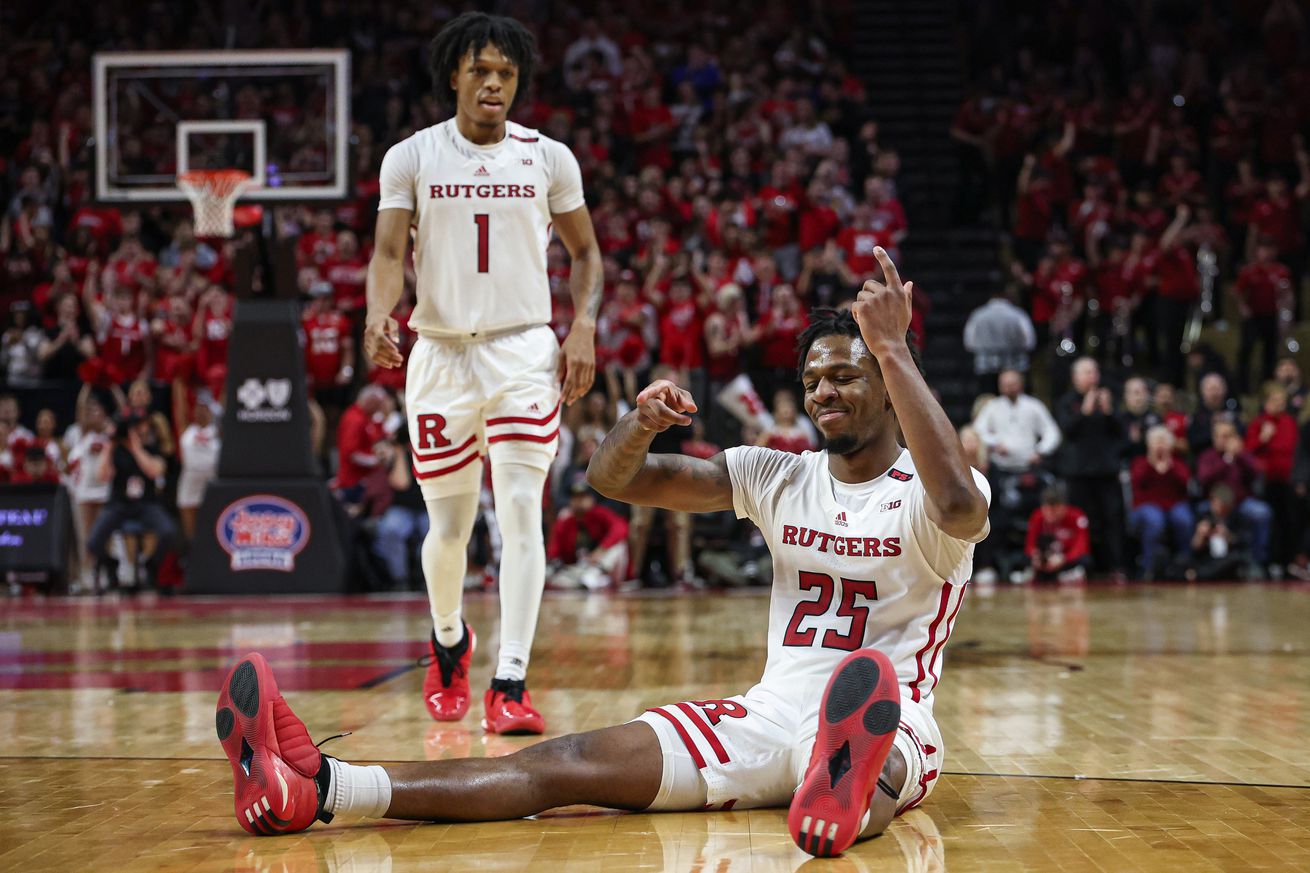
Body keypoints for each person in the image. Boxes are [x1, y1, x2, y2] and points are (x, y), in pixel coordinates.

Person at [213, 249, 990, 859]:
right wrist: (639, 422)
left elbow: (956, 504)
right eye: (812, 377)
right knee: (563, 764)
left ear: (890, 384)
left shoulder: (941, 489)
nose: (822, 390)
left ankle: (846, 788)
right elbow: (613, 479)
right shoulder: (778, 473)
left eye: (847, 373)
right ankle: (318, 787)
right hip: (766, 716)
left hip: (898, 721)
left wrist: (892, 344)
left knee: (882, 760)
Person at [361, 12, 602, 735]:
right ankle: (447, 641)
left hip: (524, 349)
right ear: (455, 77)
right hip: (438, 353)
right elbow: (384, 254)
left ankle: (512, 680)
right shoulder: (411, 157)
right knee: (450, 527)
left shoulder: (550, 158)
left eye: (506, 72)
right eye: (480, 70)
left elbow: (586, 253)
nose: (494, 83)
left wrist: (582, 324)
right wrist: (378, 313)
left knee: (523, 516)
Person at [1054, 358, 1126, 578]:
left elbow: (1123, 433)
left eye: (1094, 372)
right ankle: (1082, 565)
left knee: (1112, 520)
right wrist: (1084, 411)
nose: (1092, 376)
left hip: (1106, 471)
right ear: (1075, 377)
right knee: (1082, 520)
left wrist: (1109, 411)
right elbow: (1067, 430)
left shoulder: (1109, 400)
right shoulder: (1067, 402)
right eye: (1086, 372)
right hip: (1078, 472)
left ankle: (1115, 566)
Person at [1128, 427, 1193, 579]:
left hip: (1174, 504)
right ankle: (1149, 566)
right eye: (1156, 442)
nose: (1160, 446)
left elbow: (1185, 483)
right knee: (1154, 521)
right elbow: (1136, 482)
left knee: (1184, 519)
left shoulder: (1178, 464)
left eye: (1163, 442)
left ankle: (1185, 563)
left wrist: (1170, 467)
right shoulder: (1140, 462)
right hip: (1146, 505)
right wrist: (1151, 464)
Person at [545, 480, 630, 591]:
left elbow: (621, 528)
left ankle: (594, 578)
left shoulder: (601, 514)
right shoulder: (565, 520)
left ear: (591, 499)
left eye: (583, 497)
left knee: (619, 546)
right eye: (575, 497)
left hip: (602, 568)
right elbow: (553, 551)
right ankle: (586, 582)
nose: (579, 501)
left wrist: (601, 549)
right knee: (549, 574)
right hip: (578, 570)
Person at [961, 288, 1037, 395]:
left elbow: (969, 343)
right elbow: (1029, 342)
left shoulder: (977, 315)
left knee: (988, 400)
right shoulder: (1018, 314)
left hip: (986, 366)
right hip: (1014, 365)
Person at [1024, 481, 1091, 583]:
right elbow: (1030, 544)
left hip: (1065, 558)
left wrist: (1064, 558)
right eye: (1047, 509)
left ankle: (1068, 574)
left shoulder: (1077, 516)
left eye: (1055, 509)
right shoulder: (1037, 516)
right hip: (1046, 557)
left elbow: (1082, 546)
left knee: (1086, 560)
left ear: (1064, 506)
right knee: (1023, 559)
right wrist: (1035, 555)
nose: (1050, 513)